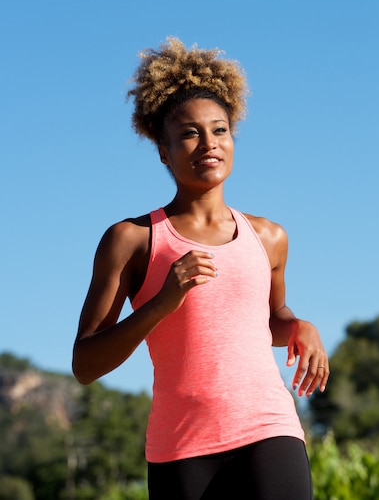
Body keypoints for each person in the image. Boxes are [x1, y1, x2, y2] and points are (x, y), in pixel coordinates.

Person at [72, 37, 329, 500]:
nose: (208, 144)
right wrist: (159, 305)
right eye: (190, 133)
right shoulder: (132, 241)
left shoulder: (268, 236)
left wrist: (297, 326)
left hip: (269, 427)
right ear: (164, 152)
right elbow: (86, 364)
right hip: (181, 446)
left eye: (220, 130)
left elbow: (266, 319)